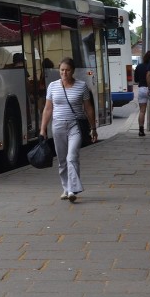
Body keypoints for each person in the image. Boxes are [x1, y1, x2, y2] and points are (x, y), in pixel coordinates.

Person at [39, 57, 98, 203]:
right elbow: (47, 109)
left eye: (67, 70)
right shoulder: (52, 86)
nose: (64, 73)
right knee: (61, 160)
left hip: (75, 126)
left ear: (73, 71)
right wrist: (43, 129)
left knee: (72, 157)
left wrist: (93, 128)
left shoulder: (81, 86)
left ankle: (72, 189)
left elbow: (88, 108)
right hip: (58, 126)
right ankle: (66, 188)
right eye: (62, 70)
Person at [133, 51, 150, 137]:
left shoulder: (139, 66)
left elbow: (136, 79)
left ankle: (141, 129)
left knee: (142, 111)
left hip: (141, 89)